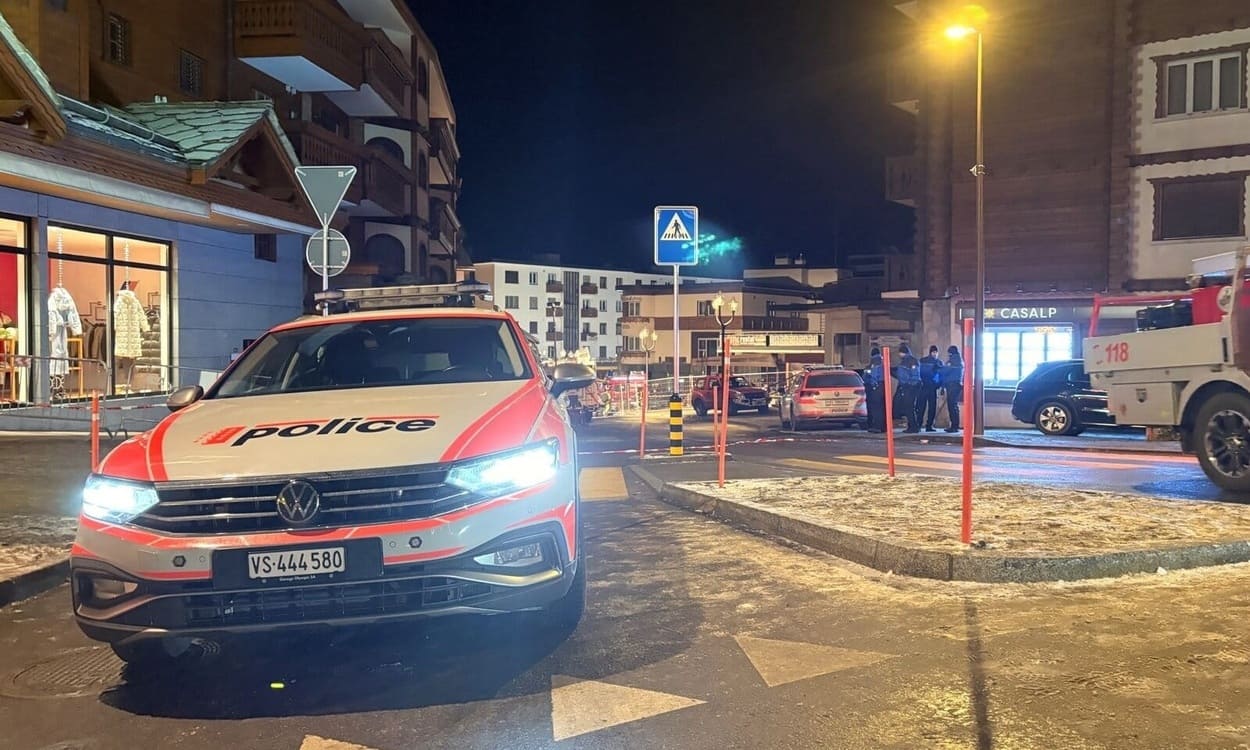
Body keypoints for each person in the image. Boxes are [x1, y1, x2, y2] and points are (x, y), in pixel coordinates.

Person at [916, 345, 944, 432]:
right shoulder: (938, 362)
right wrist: (939, 385)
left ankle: (919, 425)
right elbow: (941, 375)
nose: (935, 354)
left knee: (921, 407)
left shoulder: (922, 361)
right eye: (934, 352)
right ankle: (928, 426)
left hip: (924, 387)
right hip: (931, 387)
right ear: (931, 352)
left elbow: (918, 373)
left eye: (936, 352)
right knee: (931, 407)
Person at [895, 344, 921, 433]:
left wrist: (909, 384)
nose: (899, 355)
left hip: (910, 387)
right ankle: (912, 426)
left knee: (909, 408)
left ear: (903, 352)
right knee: (908, 407)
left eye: (900, 353)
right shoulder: (906, 361)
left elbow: (915, 375)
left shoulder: (911, 361)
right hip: (907, 386)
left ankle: (913, 427)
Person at [941, 345, 964, 432]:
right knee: (954, 405)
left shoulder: (952, 361)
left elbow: (945, 371)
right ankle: (955, 425)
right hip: (957, 385)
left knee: (952, 406)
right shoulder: (960, 360)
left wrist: (940, 368)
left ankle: (954, 426)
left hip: (952, 385)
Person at [864, 347, 885, 432]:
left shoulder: (875, 362)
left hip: (876, 387)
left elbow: (873, 375)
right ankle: (883, 427)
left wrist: (873, 385)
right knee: (882, 407)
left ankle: (877, 427)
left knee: (876, 407)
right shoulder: (883, 361)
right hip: (883, 386)